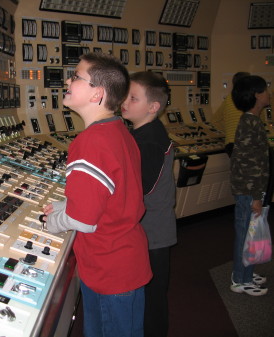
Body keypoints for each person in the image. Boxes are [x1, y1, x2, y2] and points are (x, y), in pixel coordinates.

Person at [42, 53, 152, 337]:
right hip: (126, 259)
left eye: (76, 77)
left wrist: (52, 222)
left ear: (97, 94)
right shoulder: (119, 131)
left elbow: (83, 219)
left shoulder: (90, 142)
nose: (68, 80)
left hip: (109, 268)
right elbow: (112, 195)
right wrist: (64, 204)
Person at [121, 71, 177, 337]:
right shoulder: (142, 134)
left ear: (153, 107)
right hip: (150, 230)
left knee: (151, 299)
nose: (125, 101)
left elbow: (136, 190)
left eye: (133, 98)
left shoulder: (149, 141)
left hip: (151, 233)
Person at [230, 75, 271, 296]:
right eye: (265, 89)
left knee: (250, 234)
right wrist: (256, 196)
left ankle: (245, 271)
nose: (269, 93)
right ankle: (240, 279)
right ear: (256, 95)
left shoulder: (253, 120)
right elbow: (248, 164)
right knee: (246, 234)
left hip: (251, 190)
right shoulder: (249, 123)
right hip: (248, 191)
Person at [211, 72, 250, 157]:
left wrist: (229, 130)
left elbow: (214, 120)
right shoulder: (251, 99)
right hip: (246, 143)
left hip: (231, 144)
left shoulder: (229, 99)